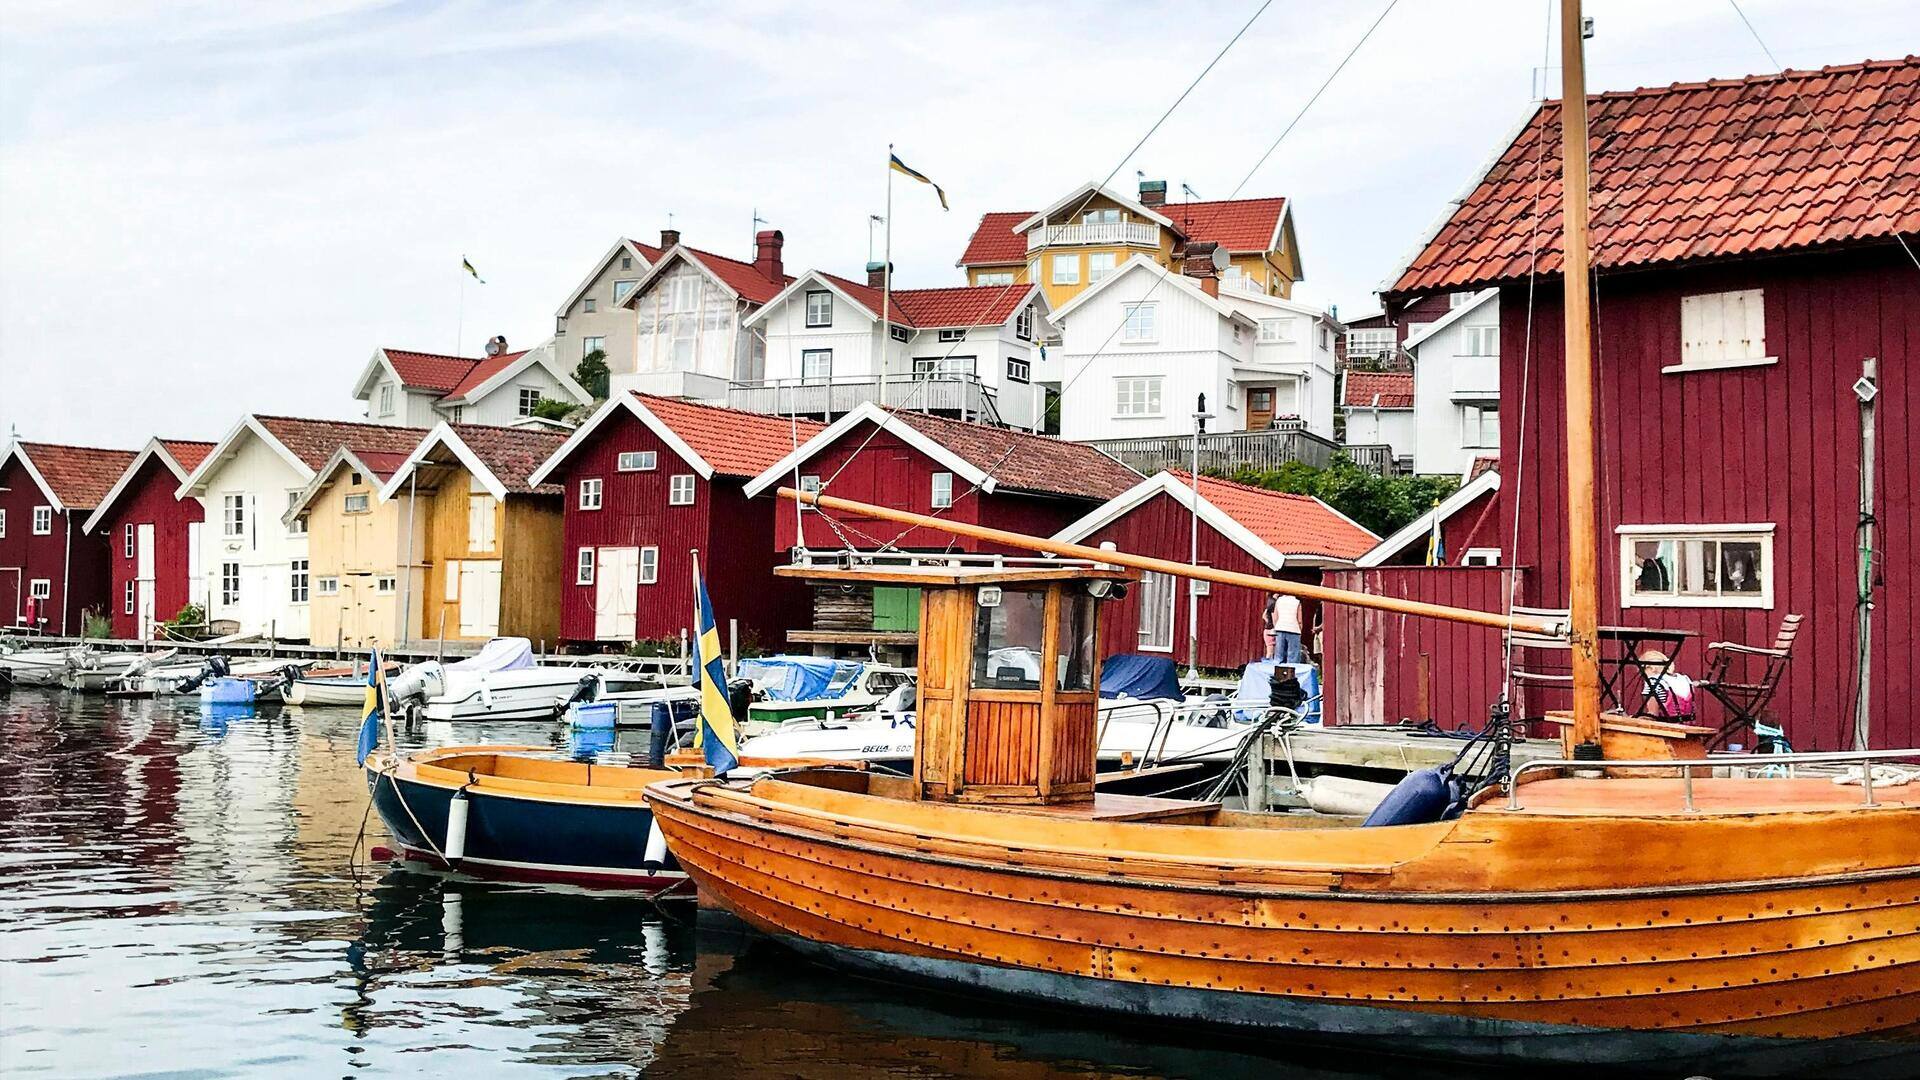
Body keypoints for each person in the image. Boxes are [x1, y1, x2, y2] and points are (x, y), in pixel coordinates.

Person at [1266, 592, 1303, 664]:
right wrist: (1300, 630)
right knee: (1293, 655)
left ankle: (1277, 671)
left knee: (1279, 654)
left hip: (1280, 628)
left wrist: (1277, 626)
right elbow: (1299, 620)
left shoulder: (1278, 601)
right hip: (1294, 629)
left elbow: (1276, 616)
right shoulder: (1297, 602)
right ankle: (1291, 671)